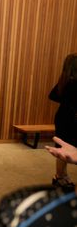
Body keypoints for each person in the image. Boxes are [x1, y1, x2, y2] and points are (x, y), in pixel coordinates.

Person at [48, 53, 77, 189]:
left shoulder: (64, 80)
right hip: (69, 120)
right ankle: (60, 176)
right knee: (64, 149)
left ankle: (61, 176)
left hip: (63, 117)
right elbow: (53, 95)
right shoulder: (72, 82)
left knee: (63, 149)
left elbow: (54, 96)